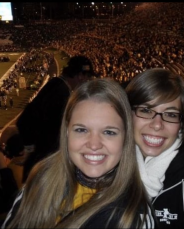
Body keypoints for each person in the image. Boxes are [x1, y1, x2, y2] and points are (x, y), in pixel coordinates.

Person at [2, 78, 156, 229]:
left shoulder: (134, 215)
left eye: (109, 132)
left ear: (126, 138)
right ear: (67, 132)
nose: (94, 144)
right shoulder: (40, 177)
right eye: (81, 130)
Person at [125, 68, 184, 228]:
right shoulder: (112, 165)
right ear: (128, 113)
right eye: (146, 110)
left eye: (170, 114)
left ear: (182, 124)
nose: (156, 125)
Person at [16, 55, 95, 183]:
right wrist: (30, 148)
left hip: (40, 161)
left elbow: (27, 118)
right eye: (88, 76)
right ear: (81, 75)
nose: (88, 80)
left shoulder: (57, 85)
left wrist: (30, 147)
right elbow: (28, 120)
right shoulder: (61, 93)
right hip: (45, 165)